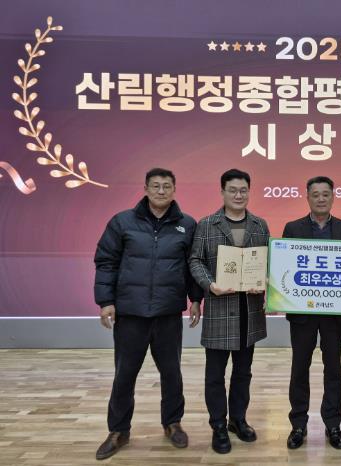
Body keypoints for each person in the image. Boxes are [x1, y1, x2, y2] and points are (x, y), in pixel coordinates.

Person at [93, 168, 202, 460]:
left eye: (167, 186)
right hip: (130, 313)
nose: (161, 191)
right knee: (124, 374)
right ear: (145, 188)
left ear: (174, 189)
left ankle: (173, 423)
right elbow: (106, 262)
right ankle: (118, 431)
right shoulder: (122, 222)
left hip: (168, 313)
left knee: (172, 373)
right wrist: (106, 301)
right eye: (156, 186)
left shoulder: (187, 225)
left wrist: (195, 299)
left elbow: (193, 265)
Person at [188, 168, 269, 454]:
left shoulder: (259, 225)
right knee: (215, 374)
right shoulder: (207, 224)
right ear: (222, 192)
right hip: (220, 308)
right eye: (232, 190)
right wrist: (210, 285)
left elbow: (268, 261)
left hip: (249, 310)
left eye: (243, 190)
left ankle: (238, 420)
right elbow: (195, 260)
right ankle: (218, 426)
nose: (238, 195)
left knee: (243, 372)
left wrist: (264, 280)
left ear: (249, 192)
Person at [282, 176, 341, 450]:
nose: (321, 199)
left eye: (326, 194)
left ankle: (333, 424)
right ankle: (298, 424)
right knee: (299, 368)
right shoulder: (293, 228)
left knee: (333, 368)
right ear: (307, 197)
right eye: (316, 194)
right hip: (302, 313)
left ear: (333, 197)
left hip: (334, 314)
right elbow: (285, 267)